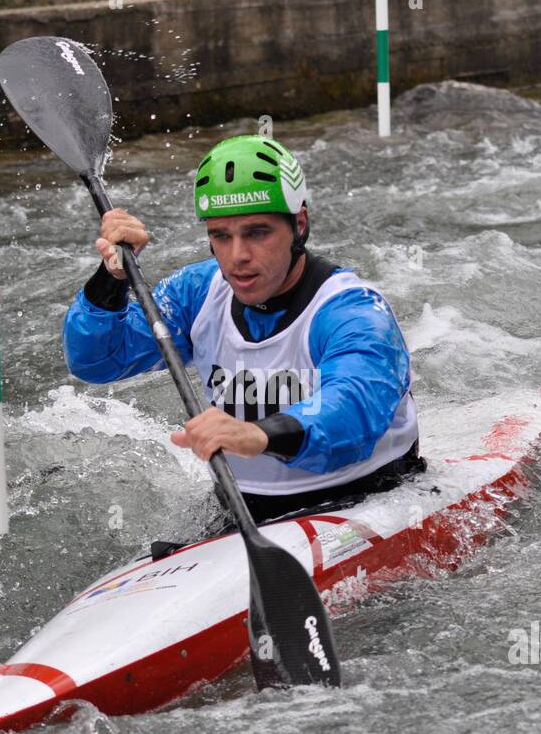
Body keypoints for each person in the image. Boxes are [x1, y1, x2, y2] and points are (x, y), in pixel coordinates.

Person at [62, 134, 423, 527]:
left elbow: (353, 410)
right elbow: (95, 361)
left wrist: (258, 435)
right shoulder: (196, 293)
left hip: (363, 496)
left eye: (257, 232)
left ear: (299, 224)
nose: (237, 257)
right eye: (221, 236)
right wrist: (111, 279)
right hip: (242, 508)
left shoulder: (352, 310)